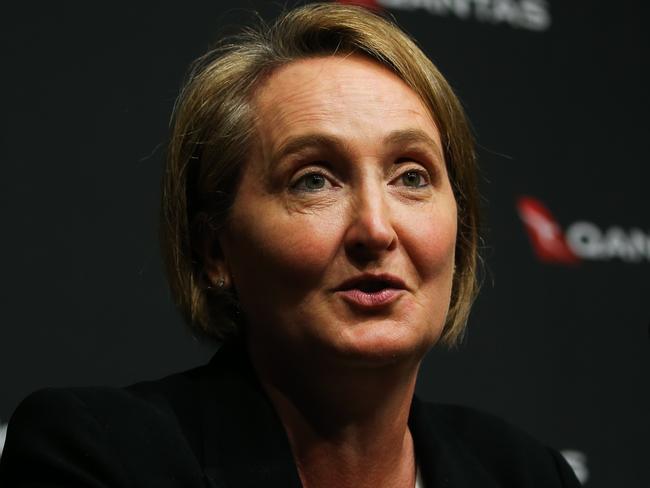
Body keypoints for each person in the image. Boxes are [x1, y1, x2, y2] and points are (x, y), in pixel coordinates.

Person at [0, 3, 581, 487]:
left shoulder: (526, 474)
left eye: (411, 175)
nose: (376, 230)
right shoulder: (100, 457)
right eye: (313, 181)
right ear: (214, 252)